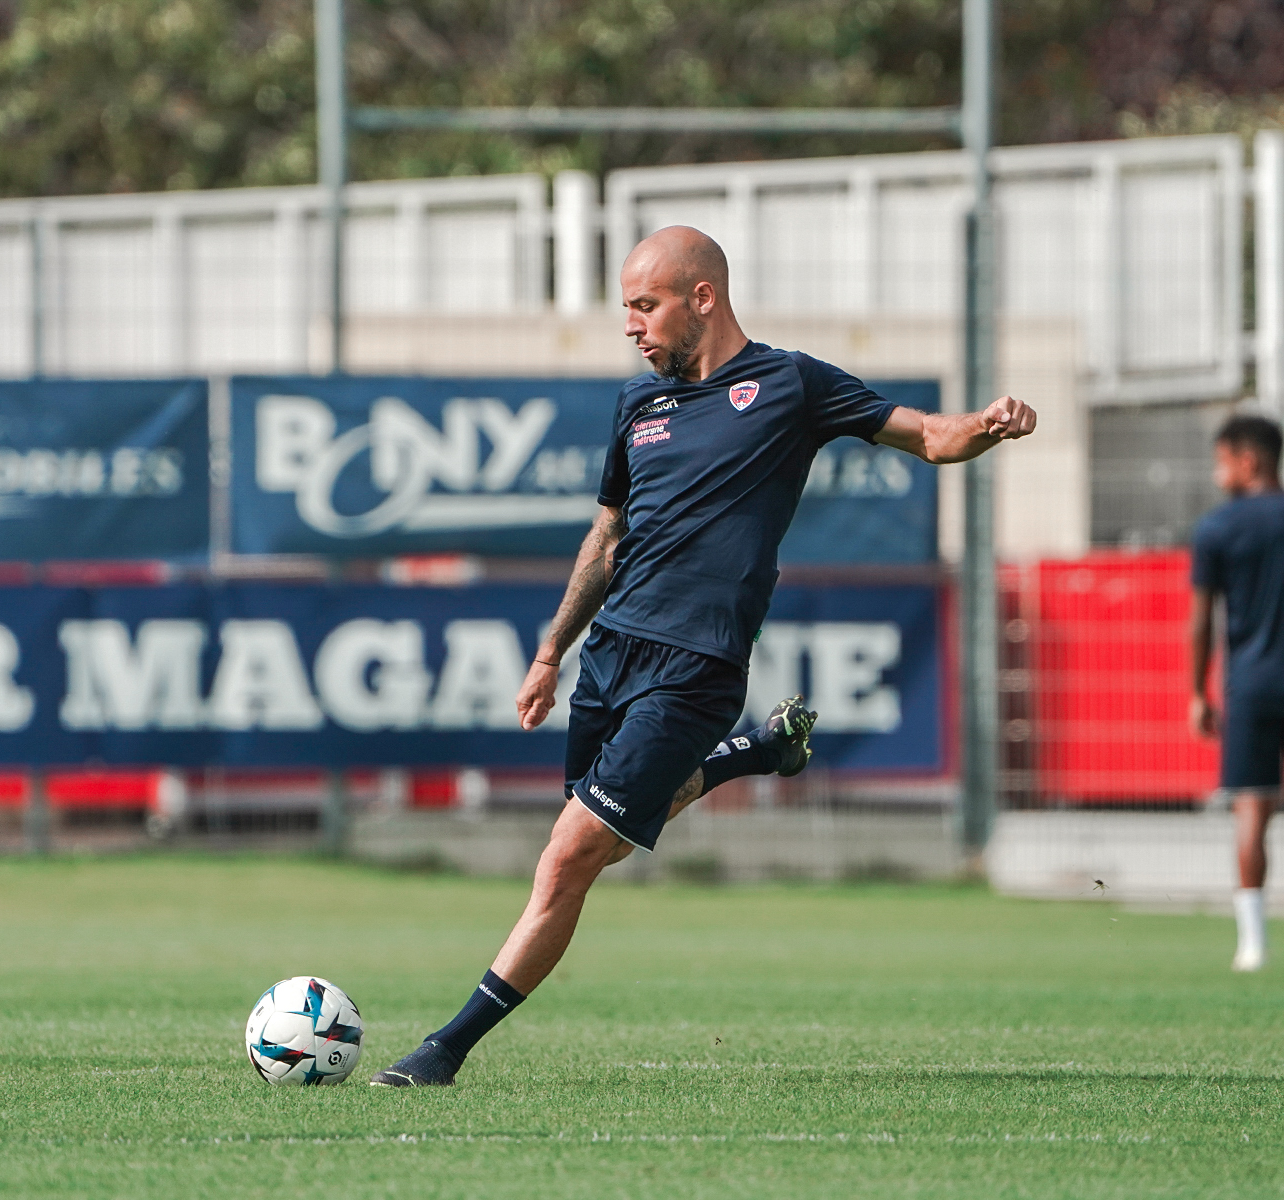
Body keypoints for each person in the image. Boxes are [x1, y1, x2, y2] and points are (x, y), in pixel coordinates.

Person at [369, 226, 1037, 1087]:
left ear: (703, 298)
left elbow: (928, 435)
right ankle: (751, 756)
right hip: (610, 655)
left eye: (645, 306)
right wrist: (550, 651)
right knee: (603, 844)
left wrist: (987, 424)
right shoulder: (637, 407)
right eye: (626, 309)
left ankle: (443, 1050)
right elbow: (607, 536)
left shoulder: (793, 384)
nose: (631, 326)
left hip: (698, 664)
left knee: (568, 856)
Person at [1190, 414, 1284, 972]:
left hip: (1249, 683)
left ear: (1246, 460)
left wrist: (1196, 692)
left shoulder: (1217, 529)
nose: (1216, 470)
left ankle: (1252, 943)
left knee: (1252, 805)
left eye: (1221, 458)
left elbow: (1200, 621)